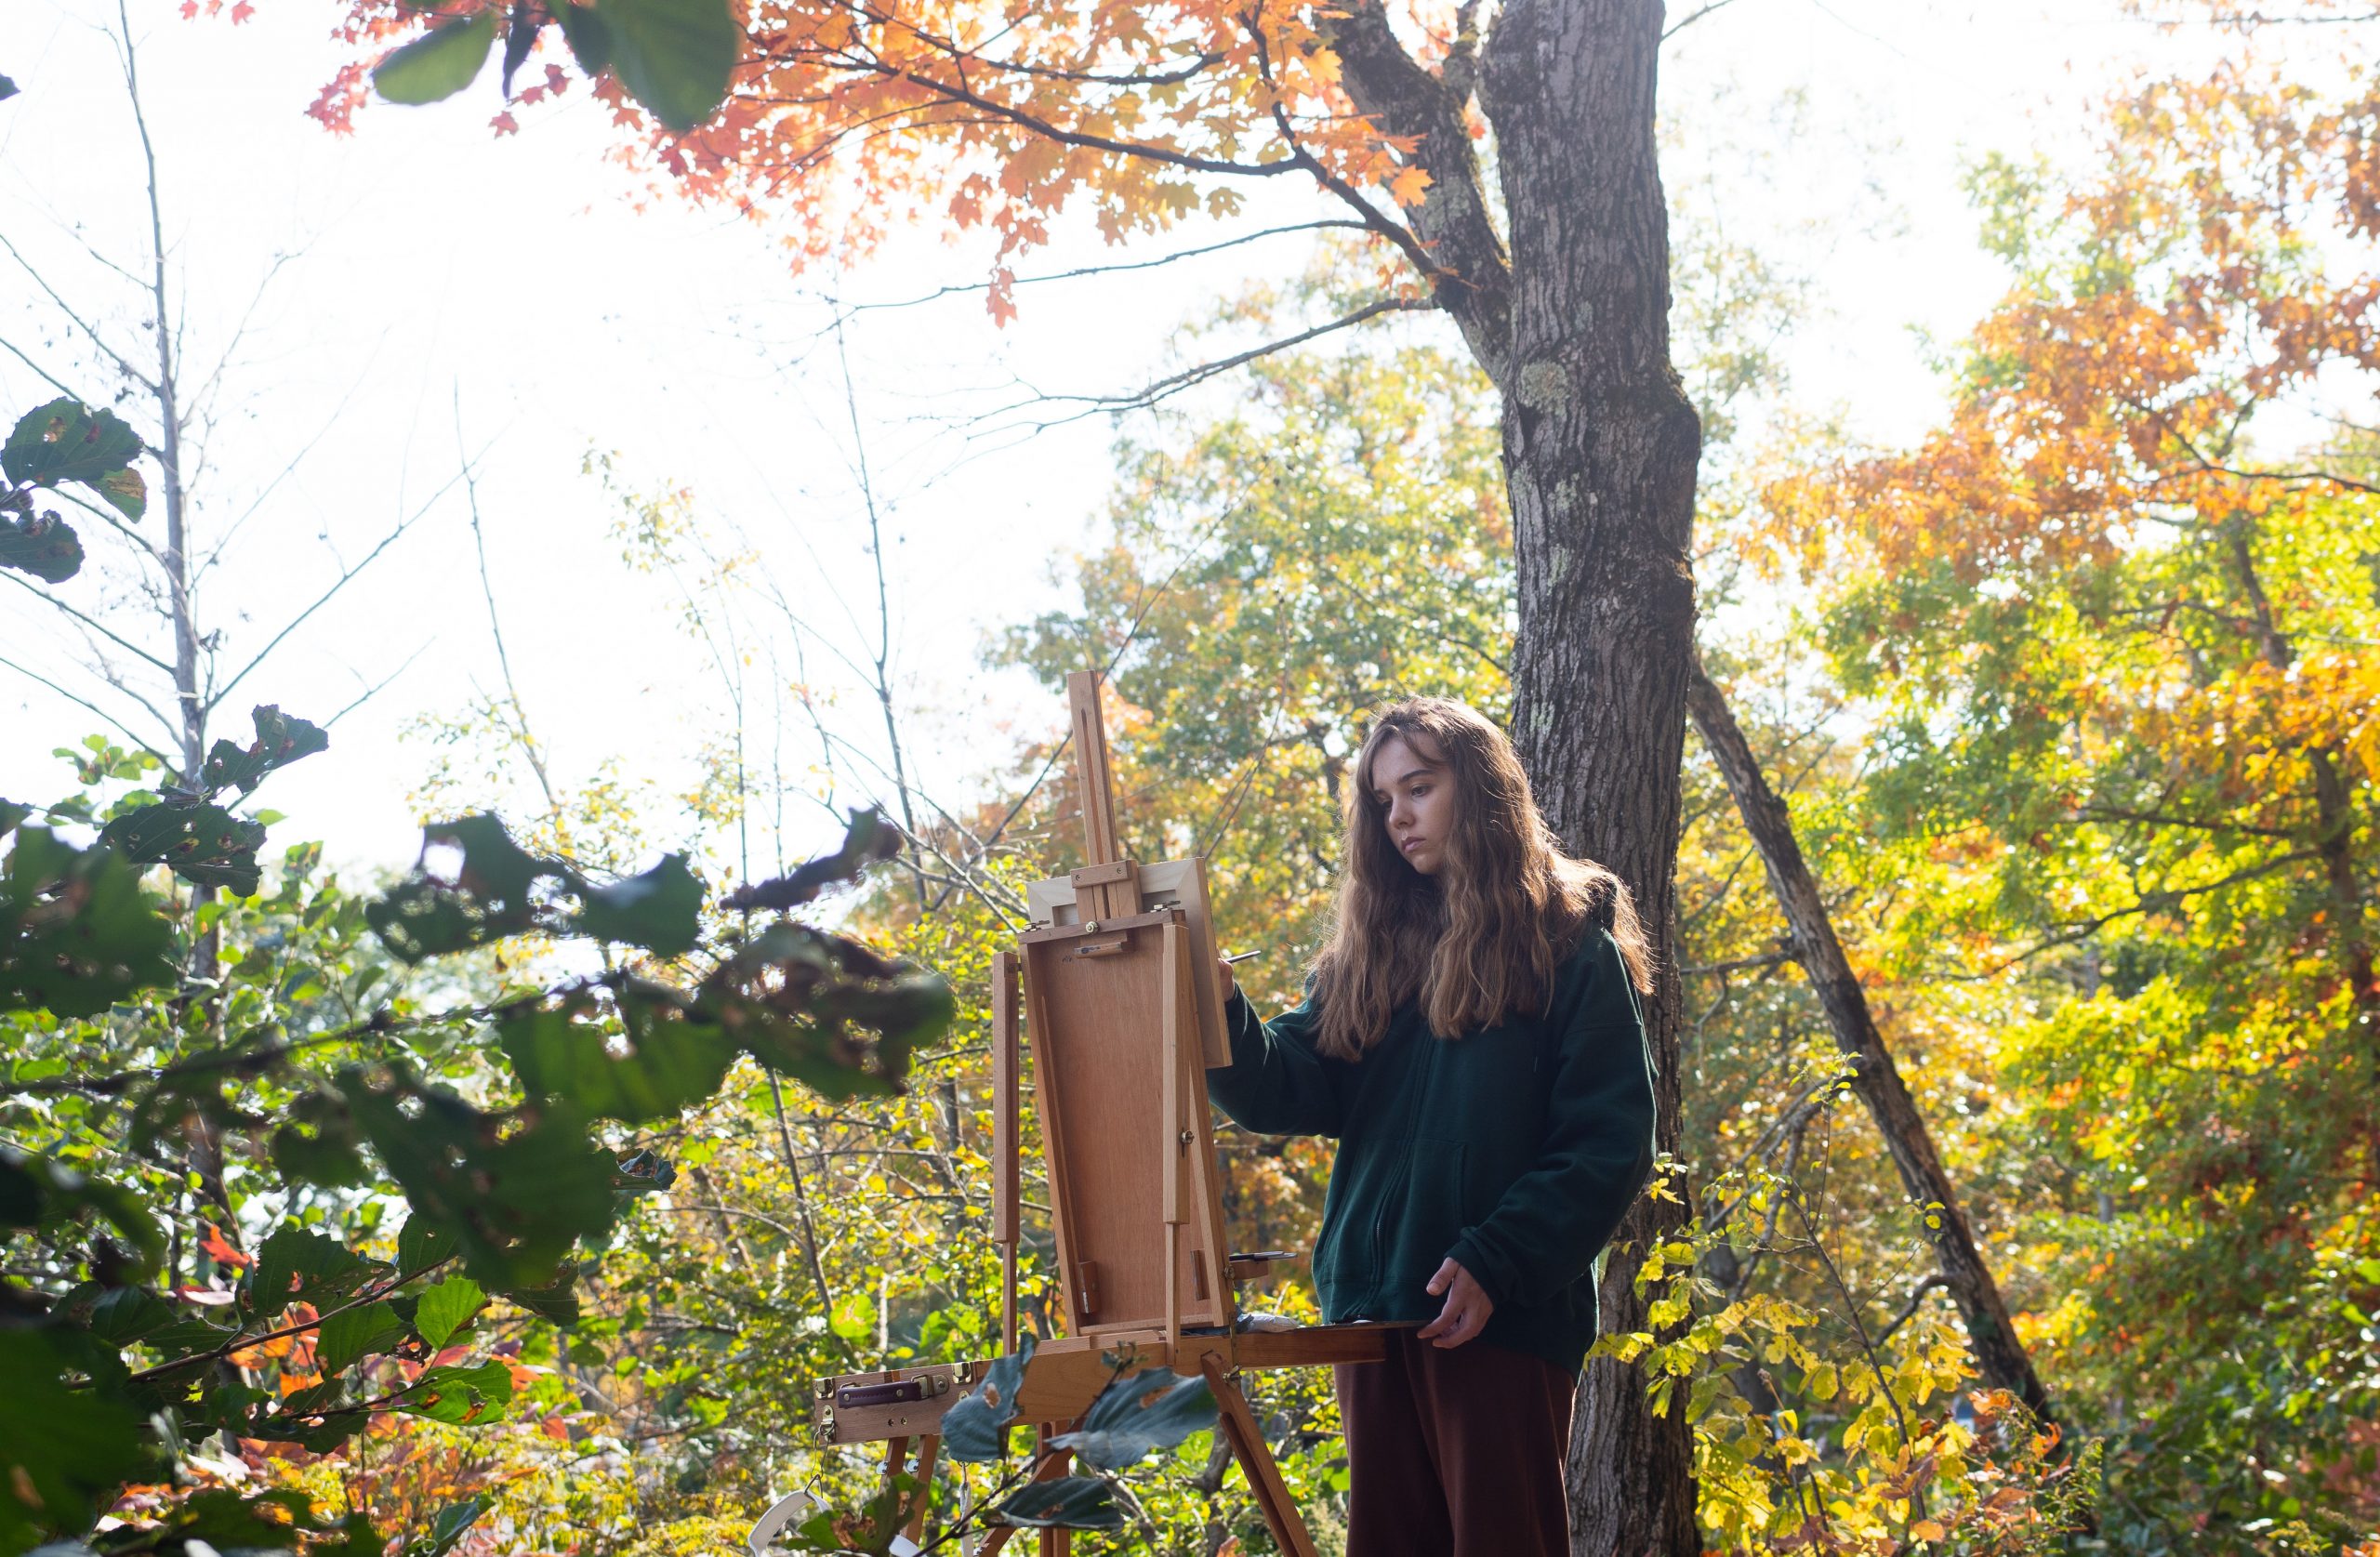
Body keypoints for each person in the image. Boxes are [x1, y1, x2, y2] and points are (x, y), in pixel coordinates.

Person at [1208, 697, 1658, 1557]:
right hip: (1373, 1317)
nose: (1399, 815)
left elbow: (1608, 1143)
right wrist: (1219, 1006)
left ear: (1481, 790)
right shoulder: (1369, 959)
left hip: (1495, 1313)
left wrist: (1498, 1258)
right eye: (1383, 799)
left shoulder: (1566, 946)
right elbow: (1280, 1088)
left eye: (1419, 786)